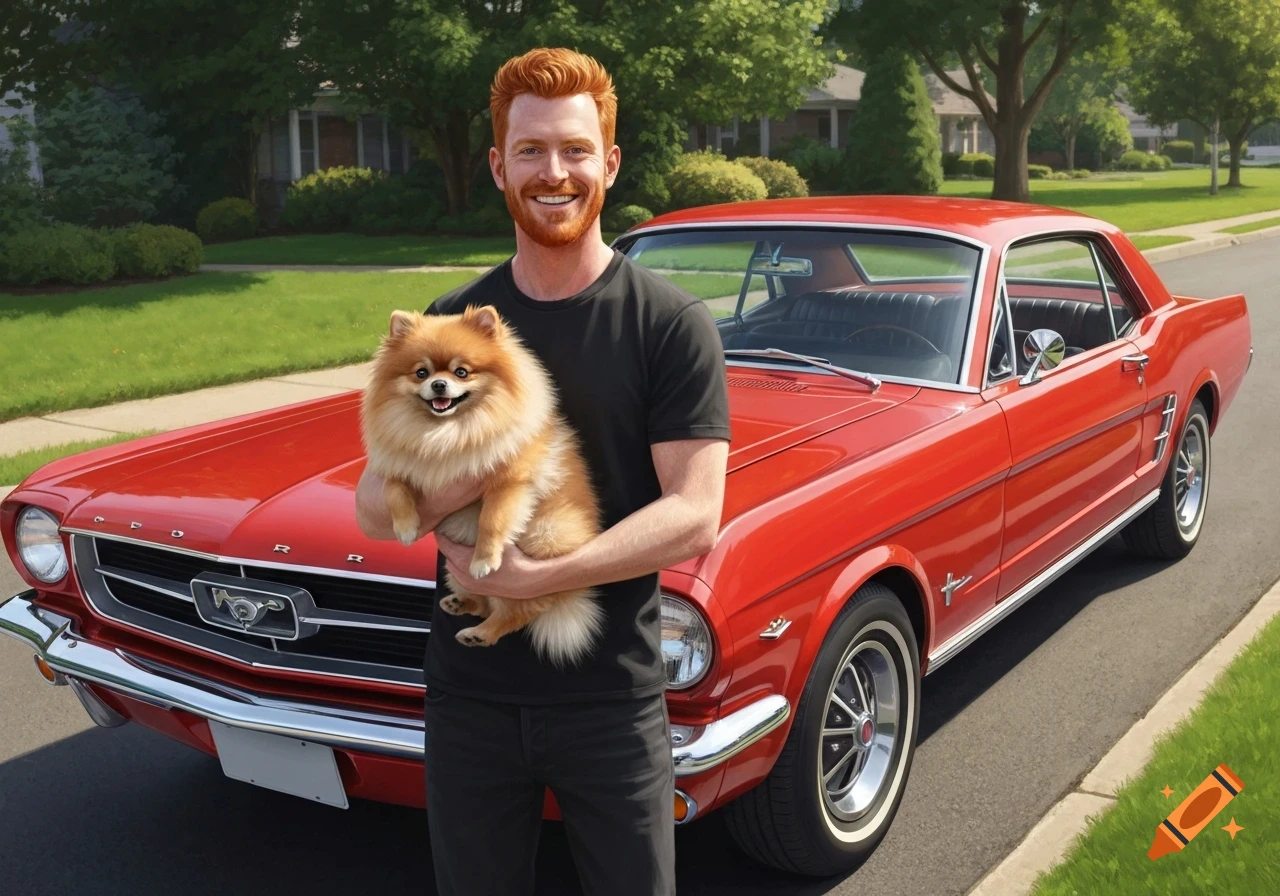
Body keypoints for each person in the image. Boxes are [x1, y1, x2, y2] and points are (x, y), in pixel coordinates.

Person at [354, 47, 731, 896]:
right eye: (529, 151)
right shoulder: (451, 330)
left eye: (573, 148)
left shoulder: (670, 327)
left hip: (610, 698)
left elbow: (695, 514)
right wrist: (493, 466)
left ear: (610, 161)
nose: (552, 172)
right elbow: (376, 509)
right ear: (497, 166)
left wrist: (540, 573)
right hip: (470, 697)